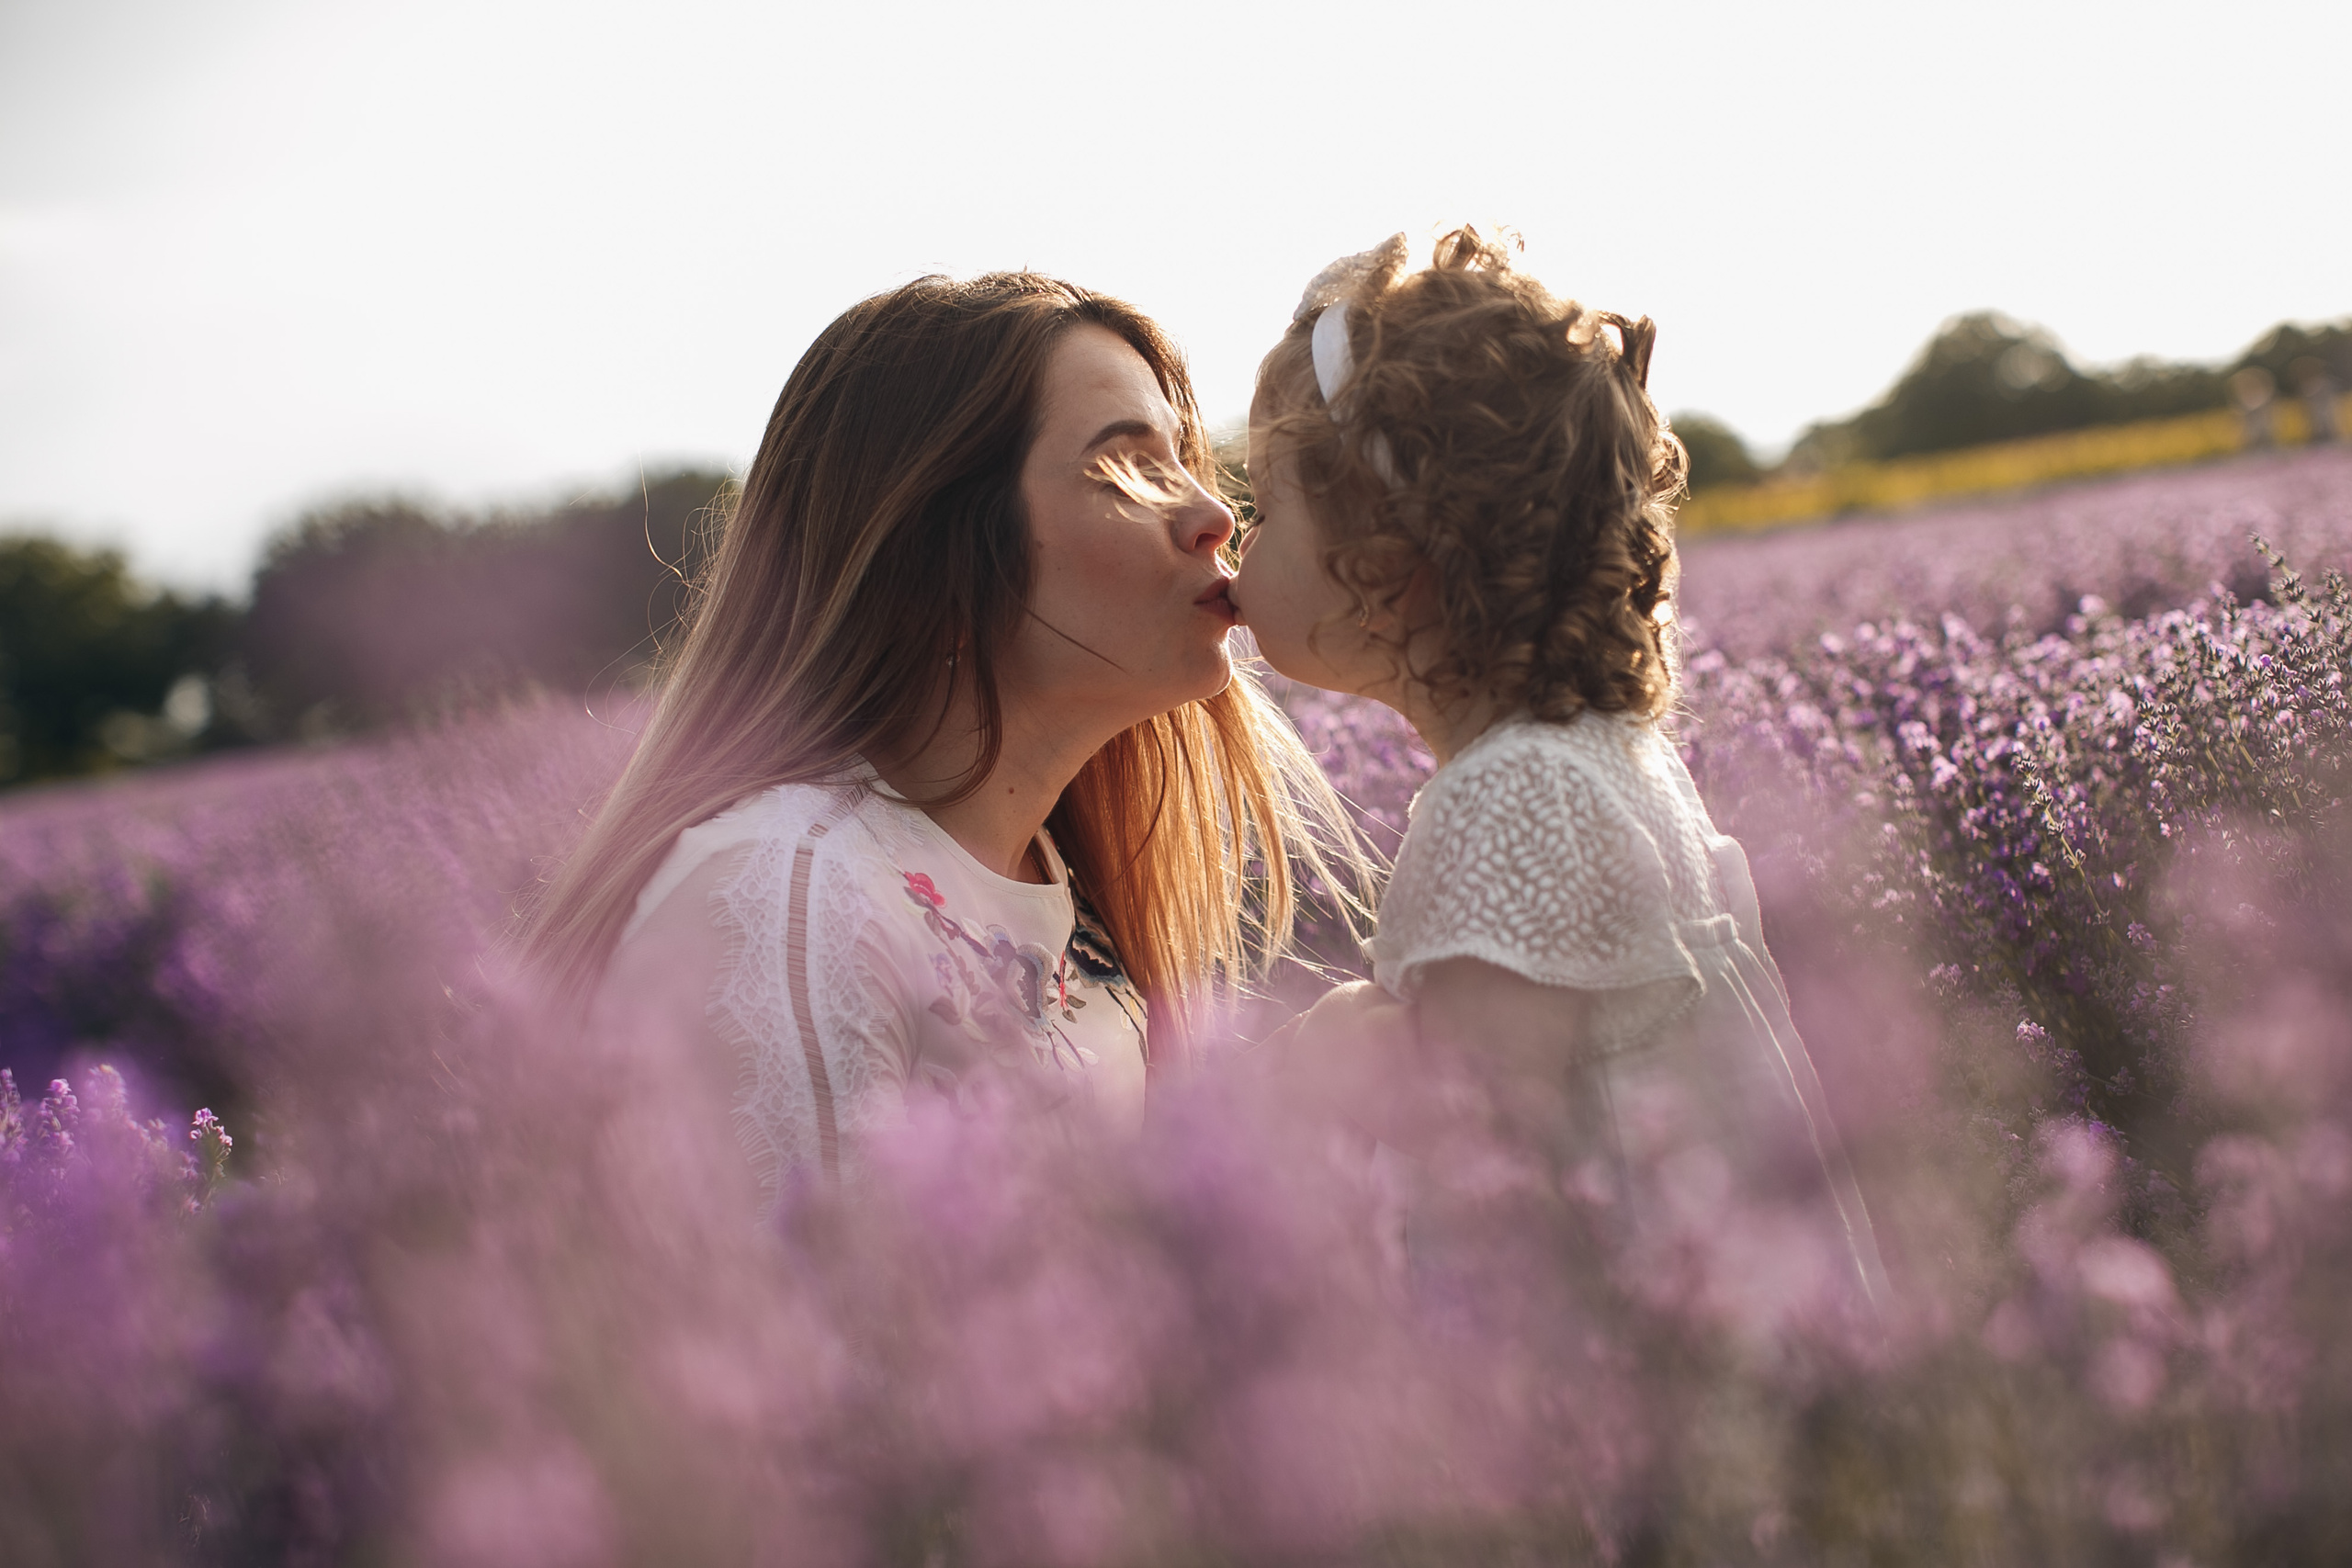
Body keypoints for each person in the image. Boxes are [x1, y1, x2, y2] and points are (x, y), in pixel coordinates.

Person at [524, 272, 1363, 1213]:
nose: (1214, 513)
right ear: (941, 563)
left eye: (1184, 457)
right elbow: (787, 1345)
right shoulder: (789, 895)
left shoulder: (1047, 872)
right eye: (1126, 467)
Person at [1231, 230, 1888, 1315]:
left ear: (1386, 567)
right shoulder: (1605, 756)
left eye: (1264, 503)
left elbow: (1485, 1149)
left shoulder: (1511, 798)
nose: (1236, 544)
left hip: (1636, 1390)